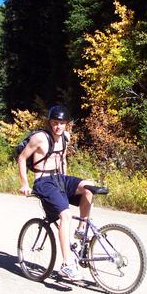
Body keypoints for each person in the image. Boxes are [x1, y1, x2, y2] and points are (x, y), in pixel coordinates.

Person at [18, 105, 94, 281]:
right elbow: (22, 158)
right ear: (49, 123)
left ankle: (81, 230)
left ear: (67, 124)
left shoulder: (66, 137)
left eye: (62, 123)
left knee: (89, 187)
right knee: (65, 215)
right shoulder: (39, 138)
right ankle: (67, 264)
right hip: (44, 181)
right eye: (55, 122)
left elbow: (63, 159)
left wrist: (66, 182)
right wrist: (24, 183)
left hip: (60, 178)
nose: (58, 126)